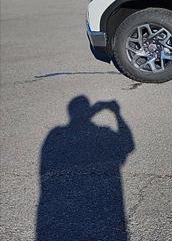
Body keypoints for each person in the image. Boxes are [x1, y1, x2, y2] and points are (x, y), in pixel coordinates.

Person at [36, 96, 135, 241]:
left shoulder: (55, 134)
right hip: (104, 208)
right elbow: (128, 146)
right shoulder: (102, 133)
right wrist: (117, 114)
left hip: (61, 210)